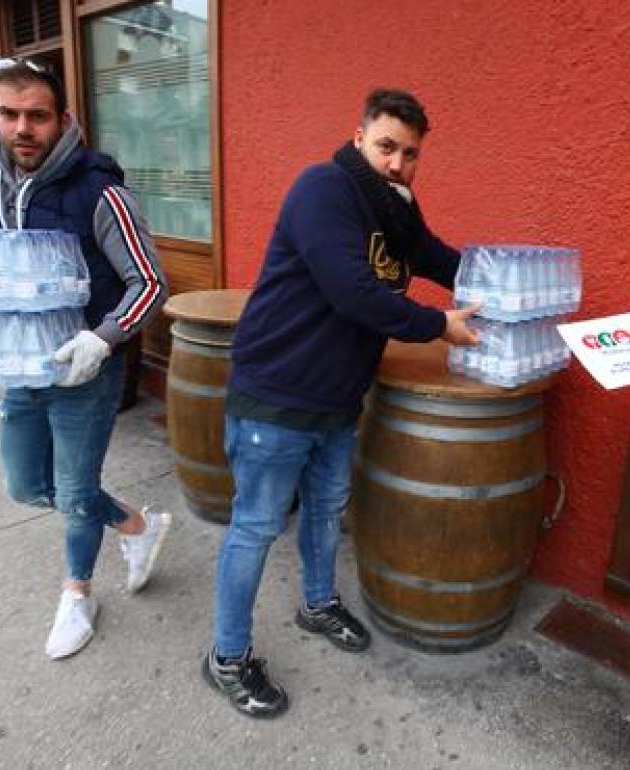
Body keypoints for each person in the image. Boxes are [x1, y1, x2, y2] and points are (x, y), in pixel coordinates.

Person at [201, 88, 479, 718]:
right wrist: (440, 325)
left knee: (327, 511)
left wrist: (508, 284)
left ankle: (317, 603)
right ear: (359, 139)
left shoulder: (398, 211)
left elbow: (442, 259)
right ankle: (226, 657)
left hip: (336, 398)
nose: (397, 164)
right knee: (256, 527)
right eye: (386, 146)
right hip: (276, 394)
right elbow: (353, 292)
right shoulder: (323, 189)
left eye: (410, 154)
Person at [0, 58, 171, 660]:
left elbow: (150, 283)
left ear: (63, 120)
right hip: (21, 368)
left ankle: (78, 594)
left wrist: (103, 339)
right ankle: (136, 524)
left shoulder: (100, 191)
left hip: (85, 371)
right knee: (26, 485)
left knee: (76, 492)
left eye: (37, 116)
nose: (23, 128)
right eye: (10, 113)